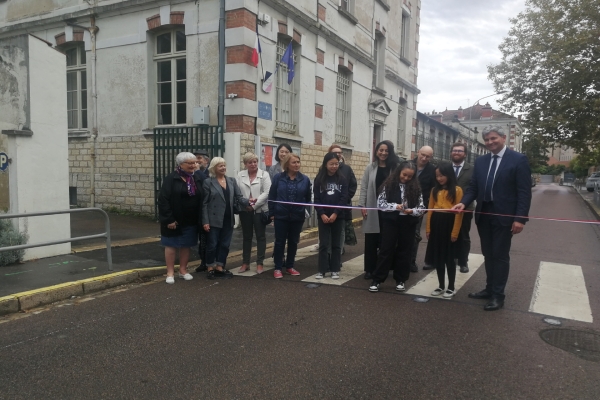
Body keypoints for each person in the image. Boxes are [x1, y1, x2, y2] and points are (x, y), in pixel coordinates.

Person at [452, 125, 532, 311]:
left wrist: (520, 218)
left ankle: (498, 295)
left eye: (493, 138)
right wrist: (463, 203)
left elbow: (524, 192)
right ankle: (489, 289)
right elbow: (473, 187)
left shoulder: (518, 160)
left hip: (504, 217)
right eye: (487, 139)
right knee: (488, 254)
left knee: (500, 255)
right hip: (484, 214)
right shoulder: (481, 161)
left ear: (503, 138)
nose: (489, 142)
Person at [368, 161, 424, 292]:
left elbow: (421, 207)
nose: (406, 178)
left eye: (409, 176)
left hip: (408, 223)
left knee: (405, 251)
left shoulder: (416, 188)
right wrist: (395, 206)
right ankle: (377, 279)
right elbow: (380, 204)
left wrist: (412, 211)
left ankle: (401, 279)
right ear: (399, 172)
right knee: (385, 250)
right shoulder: (388, 185)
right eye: (404, 175)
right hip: (391, 222)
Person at [158, 152, 203, 284]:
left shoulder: (197, 177)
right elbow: (163, 200)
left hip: (191, 219)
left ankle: (183, 270)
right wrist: (169, 219)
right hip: (174, 219)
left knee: (186, 245)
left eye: (195, 163)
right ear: (181, 164)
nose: (193, 165)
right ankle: (170, 272)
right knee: (171, 245)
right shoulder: (171, 178)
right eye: (190, 163)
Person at [358, 140, 401, 280]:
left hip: (389, 209)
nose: (383, 153)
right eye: (380, 150)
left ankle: (384, 267)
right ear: (376, 151)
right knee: (371, 240)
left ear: (390, 152)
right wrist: (362, 205)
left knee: (387, 240)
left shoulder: (395, 168)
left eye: (386, 150)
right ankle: (369, 269)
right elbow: (364, 187)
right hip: (372, 208)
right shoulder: (370, 167)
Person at [202, 157, 249, 279]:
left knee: (225, 244)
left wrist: (250, 202)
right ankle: (210, 267)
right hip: (213, 219)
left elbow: (239, 197)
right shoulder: (208, 182)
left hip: (228, 218)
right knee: (212, 244)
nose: (223, 168)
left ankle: (220, 266)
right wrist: (205, 221)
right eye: (220, 166)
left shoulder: (232, 181)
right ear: (214, 168)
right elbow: (204, 203)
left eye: (224, 165)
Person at [268, 153, 311, 279]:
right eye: (294, 162)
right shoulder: (278, 178)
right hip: (281, 215)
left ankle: (290, 266)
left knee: (293, 242)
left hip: (297, 216)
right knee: (280, 242)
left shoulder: (305, 179)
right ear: (287, 164)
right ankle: (277, 267)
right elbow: (272, 196)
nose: (297, 164)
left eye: (298, 162)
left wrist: (304, 210)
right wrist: (272, 213)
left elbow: (307, 198)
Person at [425, 163, 464, 299]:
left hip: (449, 223)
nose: (439, 178)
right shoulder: (434, 190)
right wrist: (428, 228)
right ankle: (441, 285)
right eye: (437, 176)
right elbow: (430, 210)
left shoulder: (457, 190)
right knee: (438, 258)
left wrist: (455, 232)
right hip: (436, 224)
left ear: (449, 175)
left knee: (449, 258)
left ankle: (451, 286)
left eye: (442, 175)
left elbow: (459, 214)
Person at [313, 152, 349, 279]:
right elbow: (316, 199)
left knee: (336, 244)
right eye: (331, 164)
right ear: (325, 164)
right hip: (323, 217)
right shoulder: (319, 179)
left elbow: (344, 198)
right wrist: (322, 214)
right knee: (323, 244)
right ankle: (322, 270)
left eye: (336, 164)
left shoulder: (342, 179)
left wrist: (335, 213)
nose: (334, 166)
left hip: (338, 217)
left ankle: (335, 269)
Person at [236, 152, 271, 274]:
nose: (253, 164)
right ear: (245, 164)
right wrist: (246, 204)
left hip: (260, 211)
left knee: (260, 237)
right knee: (247, 237)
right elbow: (238, 193)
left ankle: (260, 263)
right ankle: (245, 263)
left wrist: (254, 206)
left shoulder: (264, 175)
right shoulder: (240, 175)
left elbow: (267, 193)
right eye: (250, 162)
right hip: (245, 210)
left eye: (255, 161)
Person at [412, 146, 437, 272]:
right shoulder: (407, 164)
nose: (424, 158)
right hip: (402, 205)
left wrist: (424, 209)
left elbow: (433, 191)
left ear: (431, 157)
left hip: (419, 208)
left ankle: (411, 261)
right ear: (418, 152)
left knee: (415, 235)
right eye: (423, 154)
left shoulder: (433, 170)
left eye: (427, 156)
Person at [450, 142, 474, 273]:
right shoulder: (445, 168)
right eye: (454, 150)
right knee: (450, 233)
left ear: (465, 154)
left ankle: (463, 261)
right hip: (448, 208)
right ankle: (451, 258)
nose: (457, 153)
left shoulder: (472, 169)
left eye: (460, 151)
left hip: (466, 208)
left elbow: (474, 188)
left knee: (463, 235)